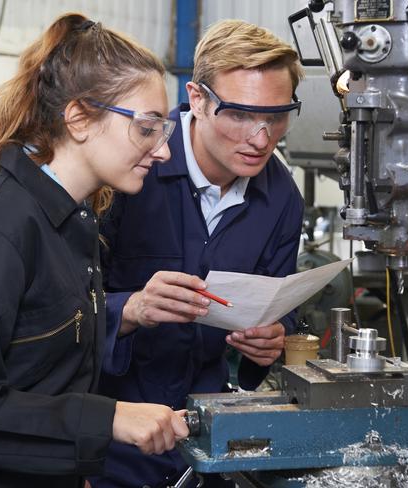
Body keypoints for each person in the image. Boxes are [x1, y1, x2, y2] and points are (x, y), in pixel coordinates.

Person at [0, 13, 189, 488]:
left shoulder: (76, 219)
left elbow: (45, 376)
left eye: (165, 130)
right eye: (146, 128)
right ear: (78, 117)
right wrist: (108, 420)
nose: (162, 151)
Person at [93, 19, 306, 488]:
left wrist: (273, 339)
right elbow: (55, 310)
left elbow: (284, 303)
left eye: (276, 116)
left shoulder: (282, 199)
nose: (262, 138)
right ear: (197, 99)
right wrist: (129, 309)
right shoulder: (128, 169)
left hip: (207, 434)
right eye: (241, 114)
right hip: (112, 437)